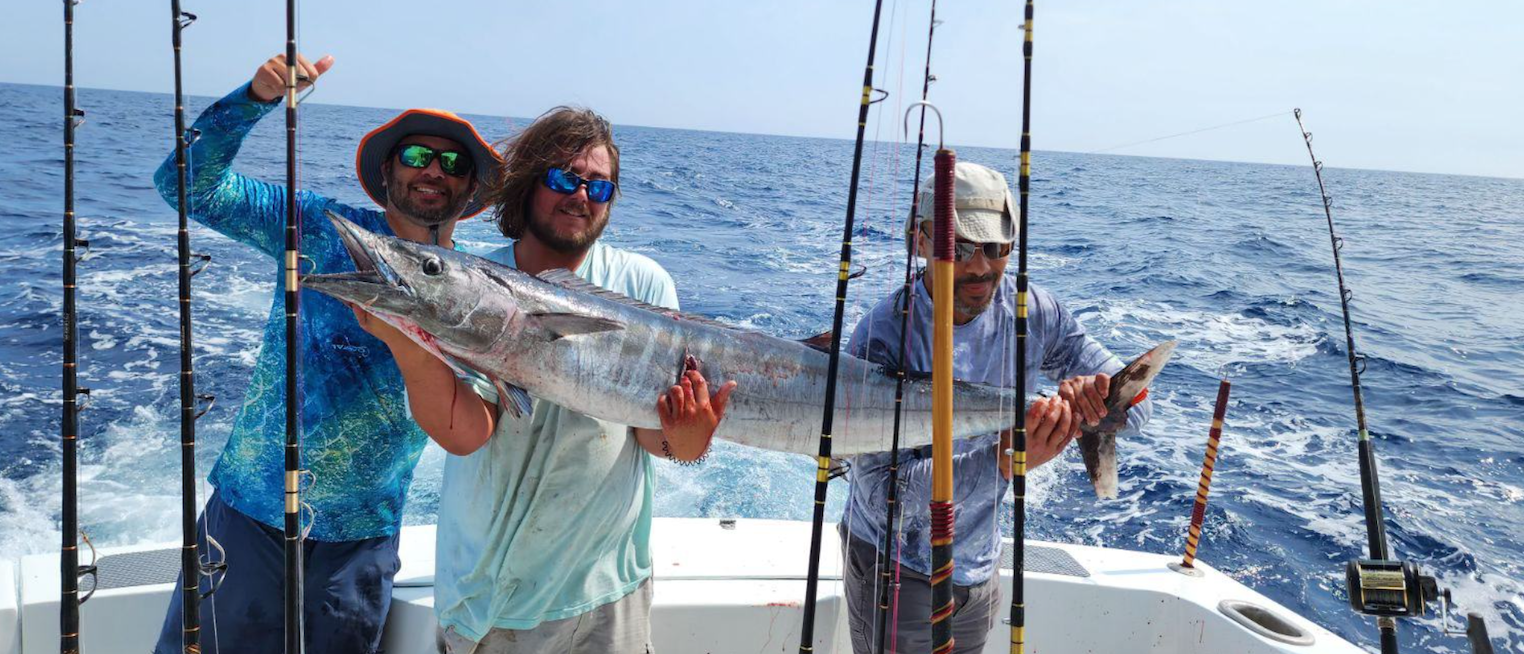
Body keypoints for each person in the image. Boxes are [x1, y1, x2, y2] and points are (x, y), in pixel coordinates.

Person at [349, 105, 733, 654]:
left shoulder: (643, 283)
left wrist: (687, 443)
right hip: (489, 599)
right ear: (527, 185)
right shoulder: (478, 283)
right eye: (563, 179)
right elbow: (466, 433)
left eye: (599, 187)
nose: (580, 196)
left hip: (605, 596)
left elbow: (652, 433)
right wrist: (404, 339)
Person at [150, 52, 499, 654]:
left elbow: (478, 416)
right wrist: (254, 99)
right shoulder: (319, 227)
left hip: (358, 544)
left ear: (468, 186)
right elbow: (185, 185)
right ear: (387, 171)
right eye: (416, 156)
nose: (433, 170)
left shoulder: (485, 294)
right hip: (248, 513)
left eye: (452, 162)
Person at [839, 161, 1153, 653]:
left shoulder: (1033, 311)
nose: (981, 266)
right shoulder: (881, 338)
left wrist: (1098, 401)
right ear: (919, 241)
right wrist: (1001, 463)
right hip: (894, 568)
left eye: (996, 247)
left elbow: (1134, 409)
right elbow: (882, 496)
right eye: (959, 249)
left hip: (980, 566)